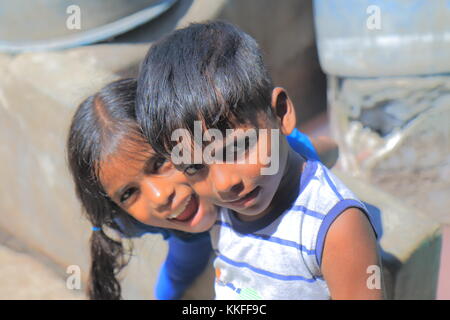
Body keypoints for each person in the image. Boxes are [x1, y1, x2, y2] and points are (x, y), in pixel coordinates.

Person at [135, 21, 383, 299]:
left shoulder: (334, 227)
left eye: (238, 147)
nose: (224, 182)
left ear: (281, 113)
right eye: (194, 167)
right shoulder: (220, 208)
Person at [67, 78, 336, 299]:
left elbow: (317, 152)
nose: (160, 197)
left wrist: (319, 152)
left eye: (160, 162)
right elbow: (181, 267)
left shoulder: (269, 166)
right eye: (128, 193)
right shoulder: (138, 220)